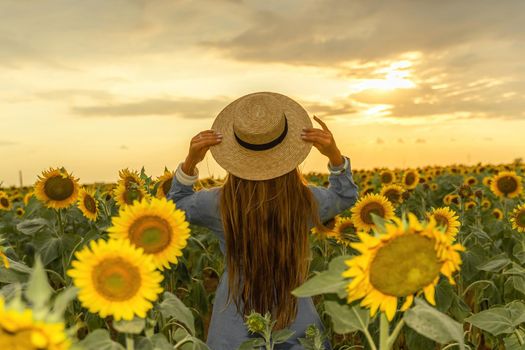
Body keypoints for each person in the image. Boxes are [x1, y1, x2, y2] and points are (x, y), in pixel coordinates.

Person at [166, 92, 359, 349]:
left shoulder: (219, 204)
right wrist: (334, 156)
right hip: (297, 320)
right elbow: (344, 196)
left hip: (234, 324)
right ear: (289, 156)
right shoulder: (304, 202)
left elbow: (176, 206)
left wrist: (191, 162)